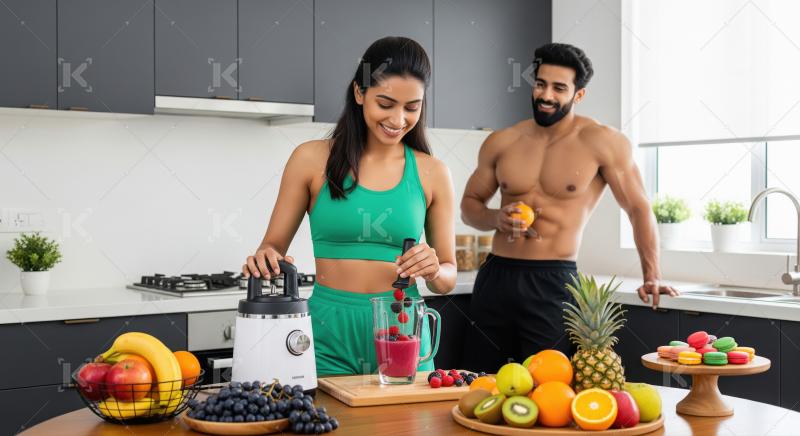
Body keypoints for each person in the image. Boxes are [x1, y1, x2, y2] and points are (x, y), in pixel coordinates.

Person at [242, 36, 456, 376]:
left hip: (403, 328)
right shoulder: (310, 159)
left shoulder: (433, 172)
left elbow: (447, 277)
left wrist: (434, 269)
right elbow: (272, 246)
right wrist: (265, 257)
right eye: (385, 104)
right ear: (360, 93)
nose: (398, 119)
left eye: (411, 107)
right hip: (328, 332)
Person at [460, 42, 678, 372]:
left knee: (550, 386)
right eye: (540, 84)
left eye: (559, 88)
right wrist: (495, 217)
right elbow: (469, 206)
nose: (546, 95)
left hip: (552, 281)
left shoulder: (603, 142)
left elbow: (638, 207)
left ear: (578, 95)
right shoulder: (503, 141)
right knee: (477, 380)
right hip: (495, 277)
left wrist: (653, 275)